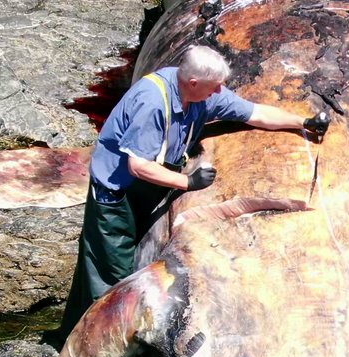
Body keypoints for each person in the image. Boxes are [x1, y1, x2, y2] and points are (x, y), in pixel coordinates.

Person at [57, 45, 330, 337]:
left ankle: (82, 331)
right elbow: (139, 166)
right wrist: (188, 182)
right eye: (214, 87)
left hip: (147, 190)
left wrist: (303, 122)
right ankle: (91, 342)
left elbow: (255, 113)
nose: (219, 92)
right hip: (117, 194)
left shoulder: (202, 94)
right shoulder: (153, 103)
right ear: (193, 83)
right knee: (109, 272)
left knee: (128, 260)